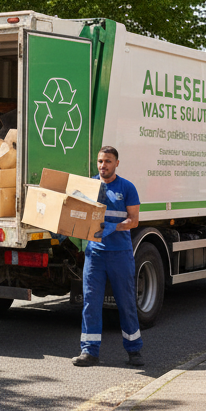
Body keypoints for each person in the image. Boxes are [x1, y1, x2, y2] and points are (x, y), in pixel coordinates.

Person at [74, 146, 144, 368]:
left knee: (126, 303)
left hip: (120, 255)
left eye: (108, 161)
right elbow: (76, 212)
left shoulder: (127, 187)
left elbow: (134, 220)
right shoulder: (89, 186)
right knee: (90, 304)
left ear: (117, 163)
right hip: (95, 254)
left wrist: (114, 227)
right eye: (100, 161)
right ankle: (89, 352)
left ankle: (134, 351)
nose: (103, 165)